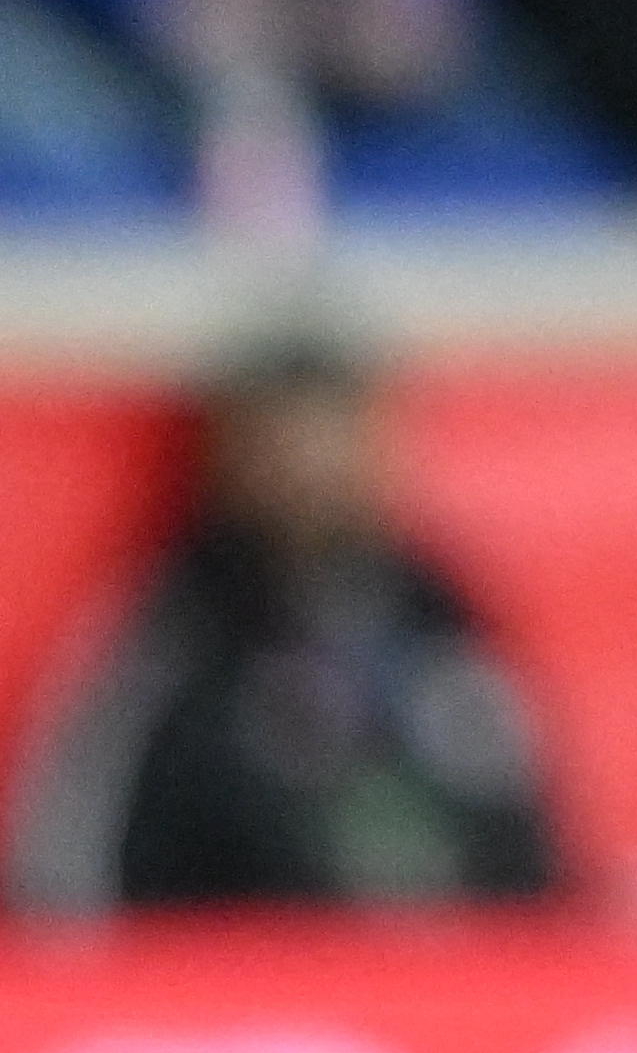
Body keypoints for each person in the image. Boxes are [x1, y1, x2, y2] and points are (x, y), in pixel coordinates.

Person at [11, 333, 564, 915]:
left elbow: (532, 825)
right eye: (287, 442)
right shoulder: (173, 625)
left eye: (341, 437)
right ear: (227, 454)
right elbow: (66, 862)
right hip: (232, 978)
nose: (315, 470)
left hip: (460, 983)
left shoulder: (439, 610)